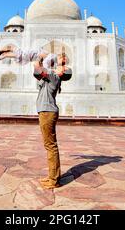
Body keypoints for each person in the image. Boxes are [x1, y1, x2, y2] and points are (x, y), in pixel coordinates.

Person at [32, 54, 72, 189]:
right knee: (49, 145)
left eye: (62, 67)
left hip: (47, 112)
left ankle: (54, 180)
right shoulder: (51, 78)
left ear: (62, 73)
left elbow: (37, 69)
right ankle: (52, 176)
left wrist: (39, 58)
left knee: (50, 146)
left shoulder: (54, 78)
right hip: (46, 111)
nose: (59, 66)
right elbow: (38, 74)